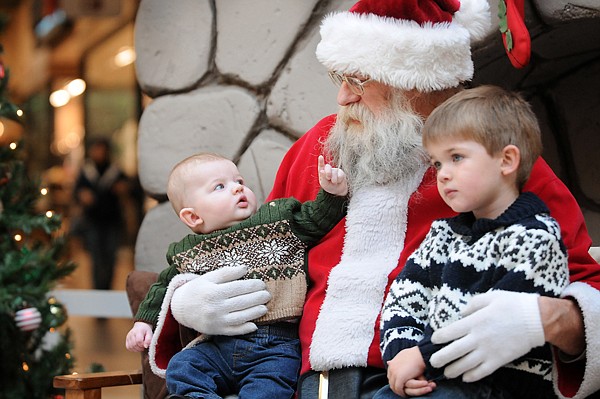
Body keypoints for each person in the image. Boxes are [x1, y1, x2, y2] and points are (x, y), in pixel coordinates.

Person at [157, 1, 600, 398]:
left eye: (356, 79)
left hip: (431, 380)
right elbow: (256, 245)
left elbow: (580, 282)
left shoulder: (494, 159)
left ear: (417, 78)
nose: (342, 96)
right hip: (304, 380)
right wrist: (184, 302)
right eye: (338, 77)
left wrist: (546, 319)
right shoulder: (318, 146)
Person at [376, 85, 569, 399]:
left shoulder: (535, 238)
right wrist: (401, 351)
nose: (443, 174)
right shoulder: (443, 237)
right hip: (439, 375)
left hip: (499, 384)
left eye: (456, 158)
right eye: (437, 163)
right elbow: (405, 294)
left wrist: (423, 356)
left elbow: (495, 325)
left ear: (506, 160)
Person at [125, 152, 348, 398]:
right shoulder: (188, 251)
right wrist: (144, 322)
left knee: (268, 387)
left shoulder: (276, 221)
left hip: (274, 346)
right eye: (219, 186)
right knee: (182, 367)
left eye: (239, 181)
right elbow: (163, 287)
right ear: (193, 216)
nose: (236, 189)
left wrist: (331, 195)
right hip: (216, 345)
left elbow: (315, 221)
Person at [72, 137, 129, 290]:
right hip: (92, 222)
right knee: (96, 260)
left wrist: (123, 188)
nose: (99, 153)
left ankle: (107, 291)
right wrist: (81, 195)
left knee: (110, 260)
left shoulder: (115, 170)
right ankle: (98, 292)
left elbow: (130, 188)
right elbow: (76, 191)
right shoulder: (86, 171)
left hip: (112, 222)